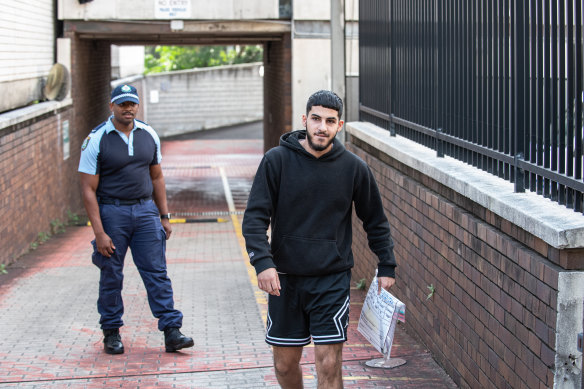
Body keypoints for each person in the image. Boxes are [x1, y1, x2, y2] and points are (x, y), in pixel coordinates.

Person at [242, 90, 397, 388]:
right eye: (316, 119)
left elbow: (375, 220)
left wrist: (387, 264)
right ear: (305, 120)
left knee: (328, 363)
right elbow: (255, 218)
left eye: (330, 121)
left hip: (331, 279)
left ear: (340, 125)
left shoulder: (354, 168)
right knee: (285, 366)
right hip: (284, 281)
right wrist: (262, 263)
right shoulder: (276, 161)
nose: (321, 127)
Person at [78, 84, 193, 355]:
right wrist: (99, 232)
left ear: (137, 106)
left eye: (132, 103)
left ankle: (172, 331)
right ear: (112, 107)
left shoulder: (148, 134)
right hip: (112, 213)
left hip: (145, 213)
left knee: (156, 273)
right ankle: (111, 332)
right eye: (122, 104)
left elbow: (157, 177)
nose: (128, 108)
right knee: (111, 275)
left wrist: (164, 216)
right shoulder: (96, 139)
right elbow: (87, 189)